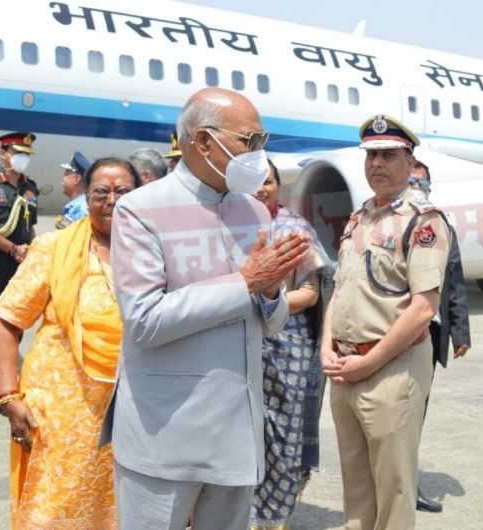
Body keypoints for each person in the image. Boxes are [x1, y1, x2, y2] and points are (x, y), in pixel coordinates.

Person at [103, 87, 310, 530]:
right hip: (166, 435)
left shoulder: (255, 211)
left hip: (236, 435)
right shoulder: (141, 209)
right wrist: (246, 283)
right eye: (248, 141)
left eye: (262, 141)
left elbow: (269, 324)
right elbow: (144, 321)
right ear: (201, 141)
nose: (259, 154)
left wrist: (271, 291)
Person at [0, 157, 142, 528]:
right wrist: (9, 397)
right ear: (86, 197)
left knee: (121, 511)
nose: (111, 201)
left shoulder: (152, 253)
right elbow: (6, 320)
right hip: (58, 415)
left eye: (123, 192)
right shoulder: (54, 248)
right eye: (100, 192)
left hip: (132, 411)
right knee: (54, 510)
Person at [322, 114, 450, 530]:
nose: (377, 163)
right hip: (346, 371)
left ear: (410, 162)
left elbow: (423, 309)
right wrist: (326, 346)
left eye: (388, 155)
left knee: (393, 494)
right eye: (371, 155)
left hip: (390, 373)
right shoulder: (360, 219)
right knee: (357, 492)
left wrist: (369, 362)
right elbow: (341, 289)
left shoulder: (422, 221)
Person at [249, 160, 333, 530]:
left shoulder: (294, 228)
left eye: (267, 182)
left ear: (279, 186)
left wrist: (262, 305)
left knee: (283, 437)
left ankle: (274, 518)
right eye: (252, 182)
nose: (260, 189)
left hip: (287, 350)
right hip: (244, 348)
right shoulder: (229, 225)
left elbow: (312, 293)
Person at [408, 160, 471, 514]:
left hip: (429, 334)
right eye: (413, 180)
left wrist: (459, 331)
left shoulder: (441, 224)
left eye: (423, 181)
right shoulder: (387, 221)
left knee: (416, 410)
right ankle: (391, 485)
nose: (418, 187)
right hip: (390, 335)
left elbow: (454, 280)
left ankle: (407, 483)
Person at [0, 132, 39, 366]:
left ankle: (2, 396)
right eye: (18, 154)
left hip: (17, 269)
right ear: (4, 154)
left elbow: (29, 227)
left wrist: (30, 253)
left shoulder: (30, 188)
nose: (23, 159)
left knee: (11, 330)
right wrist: (12, 248)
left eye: (27, 155)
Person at [55, 151, 92, 229]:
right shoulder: (77, 207)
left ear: (76, 179)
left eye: (66, 174)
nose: (63, 179)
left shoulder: (82, 209)